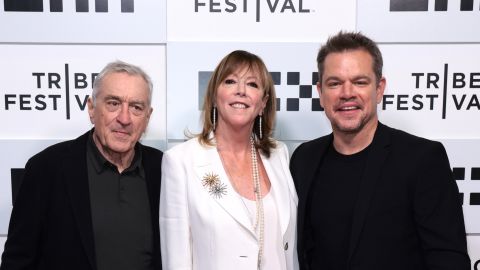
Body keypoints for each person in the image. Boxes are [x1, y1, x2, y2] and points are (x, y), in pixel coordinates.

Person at [290, 31, 470, 270]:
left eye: (360, 82)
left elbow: (449, 260)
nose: (347, 93)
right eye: (334, 83)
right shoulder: (304, 159)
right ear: (320, 93)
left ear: (379, 88)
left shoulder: (422, 159)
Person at [0, 61, 163, 270]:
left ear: (147, 117)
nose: (124, 118)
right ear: (91, 109)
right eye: (113, 103)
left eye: (136, 107)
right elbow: (17, 261)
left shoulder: (163, 169)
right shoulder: (46, 169)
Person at [160, 50, 298, 270]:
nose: (241, 91)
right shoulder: (180, 162)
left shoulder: (279, 155)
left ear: (263, 103)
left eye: (252, 84)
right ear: (215, 96)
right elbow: (177, 261)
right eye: (231, 81)